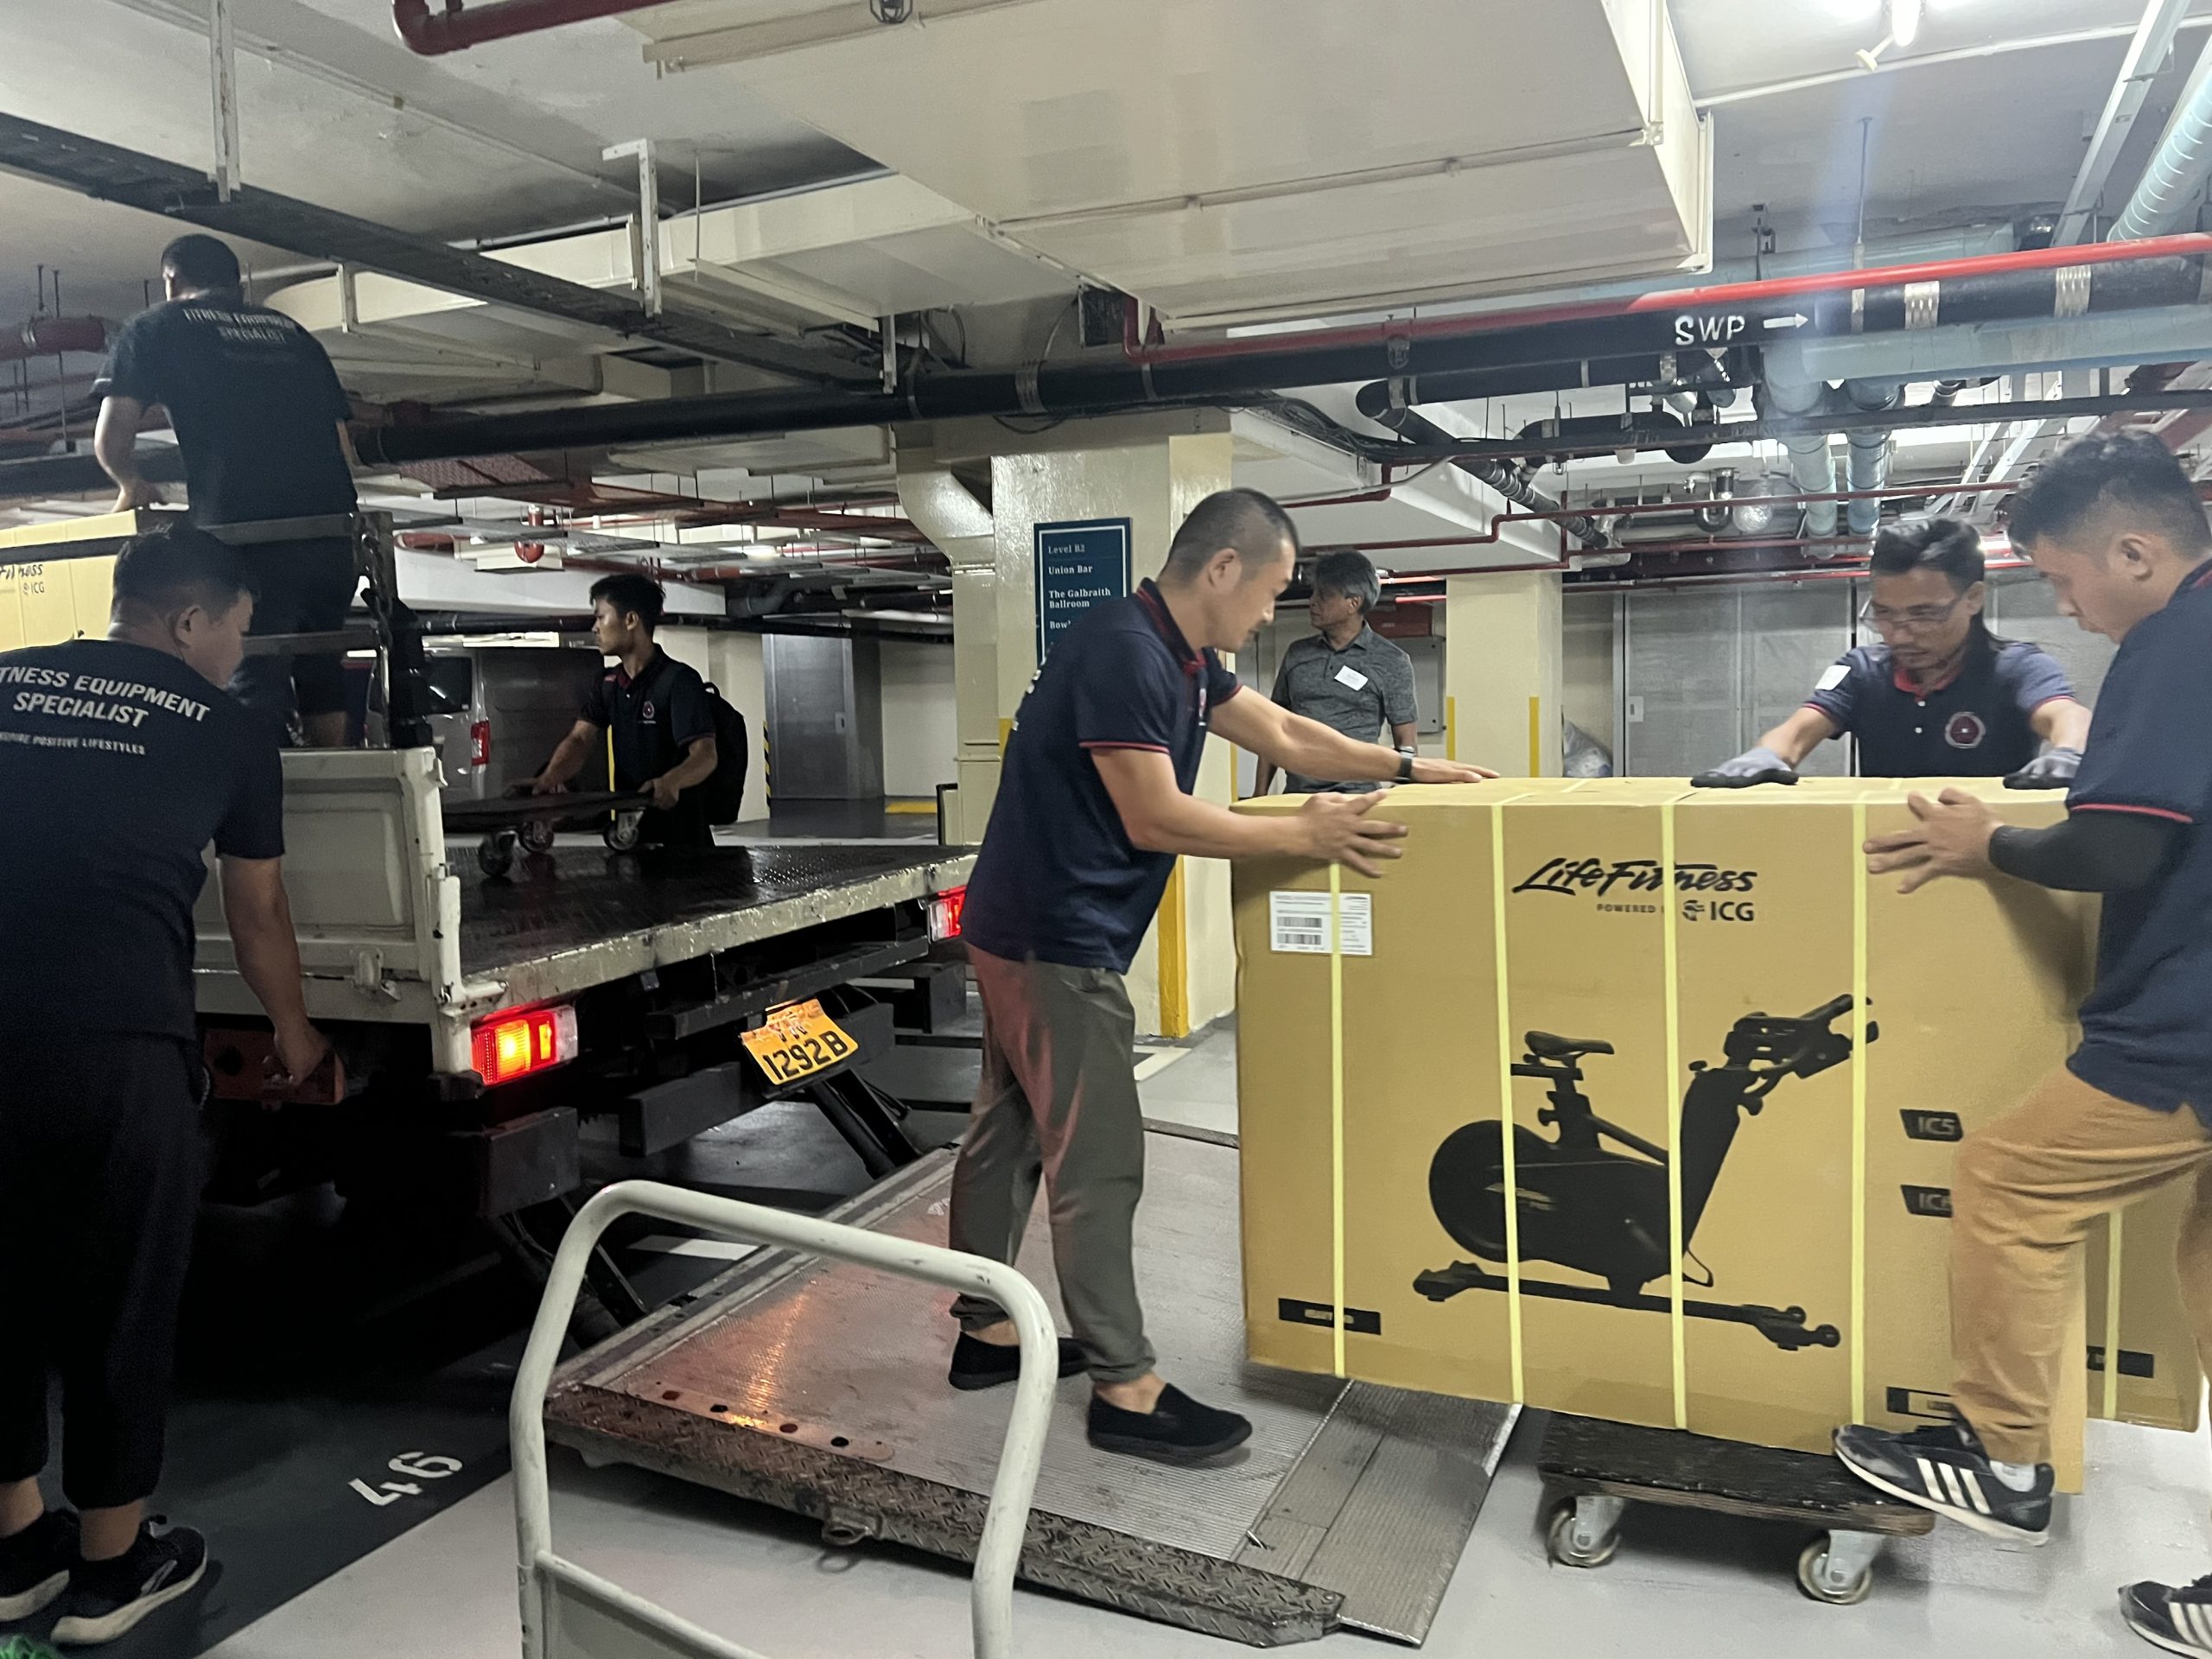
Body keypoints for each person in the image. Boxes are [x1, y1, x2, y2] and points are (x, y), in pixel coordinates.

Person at [945, 488, 1496, 1465]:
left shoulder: (1182, 656)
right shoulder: (1125, 650)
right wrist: (1303, 830)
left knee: (1012, 1128)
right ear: (1222, 569)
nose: (1271, 613)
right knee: (1096, 1158)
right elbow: (1153, 817)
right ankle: (1123, 1386)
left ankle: (987, 1336)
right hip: (1052, 936)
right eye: (1272, 590)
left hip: (1020, 923)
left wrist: (1410, 771)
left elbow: (1289, 739)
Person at [1821, 435, 2212, 1653]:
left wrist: (1984, 844)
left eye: (2071, 575)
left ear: (2137, 551)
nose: (2074, 603)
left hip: (2188, 1032)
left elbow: (2117, 847)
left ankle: (2001, 1463)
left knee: (2006, 1179)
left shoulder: (2177, 643)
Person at [0, 525, 327, 1646]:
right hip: (116, 1046)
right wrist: (293, 1031)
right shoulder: (229, 730)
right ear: (191, 620)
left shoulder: (4, 680)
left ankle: (14, 1546)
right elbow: (258, 912)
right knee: (118, 1300)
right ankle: (112, 1566)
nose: (237, 653)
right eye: (234, 630)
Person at [93, 233, 361, 749]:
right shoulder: (292, 331)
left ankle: (257, 817)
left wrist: (130, 481)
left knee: (250, 679)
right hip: (334, 532)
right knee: (321, 667)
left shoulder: (155, 327)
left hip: (246, 535)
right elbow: (342, 443)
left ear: (171, 279)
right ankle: (342, 799)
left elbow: (112, 434)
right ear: (234, 282)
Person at [1693, 517, 2091, 787]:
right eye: (1885, 615)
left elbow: (2067, 717)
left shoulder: (2015, 668)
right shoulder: (1862, 671)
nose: (1901, 636)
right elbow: (1797, 732)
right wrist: (1766, 756)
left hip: (1985, 859)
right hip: (1884, 856)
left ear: (1972, 598)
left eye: (1924, 615)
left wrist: (2071, 752)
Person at [531, 573, 720, 849]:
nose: (595, 627)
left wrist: (672, 781)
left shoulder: (677, 681)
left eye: (601, 617)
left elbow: (705, 753)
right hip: (628, 836)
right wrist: (548, 780)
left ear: (631, 620)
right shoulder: (608, 684)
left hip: (681, 840)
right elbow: (581, 739)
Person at [1252, 549, 1418, 797]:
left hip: (1357, 799)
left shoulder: (1391, 661)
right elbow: (1274, 731)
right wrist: (1259, 797)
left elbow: (1406, 744)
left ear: (1354, 603)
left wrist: (1399, 799)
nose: (1313, 601)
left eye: (1325, 595)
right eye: (1314, 593)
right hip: (1298, 798)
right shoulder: (1297, 654)